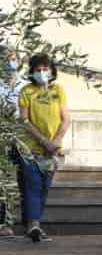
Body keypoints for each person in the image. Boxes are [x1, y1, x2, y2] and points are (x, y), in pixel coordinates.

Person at [15, 53, 70, 242]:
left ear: (52, 70)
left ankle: (33, 222)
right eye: (38, 70)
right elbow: (24, 120)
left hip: (52, 150)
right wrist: (42, 141)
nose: (42, 73)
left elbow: (66, 119)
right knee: (33, 185)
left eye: (45, 69)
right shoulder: (26, 91)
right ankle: (34, 225)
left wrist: (55, 141)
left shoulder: (58, 90)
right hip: (29, 149)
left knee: (44, 187)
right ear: (32, 72)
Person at [1, 46, 27, 240]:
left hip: (22, 138)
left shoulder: (25, 86)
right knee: (4, 182)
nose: (11, 63)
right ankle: (5, 223)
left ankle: (29, 223)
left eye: (14, 59)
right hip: (2, 138)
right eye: (7, 59)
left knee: (25, 181)